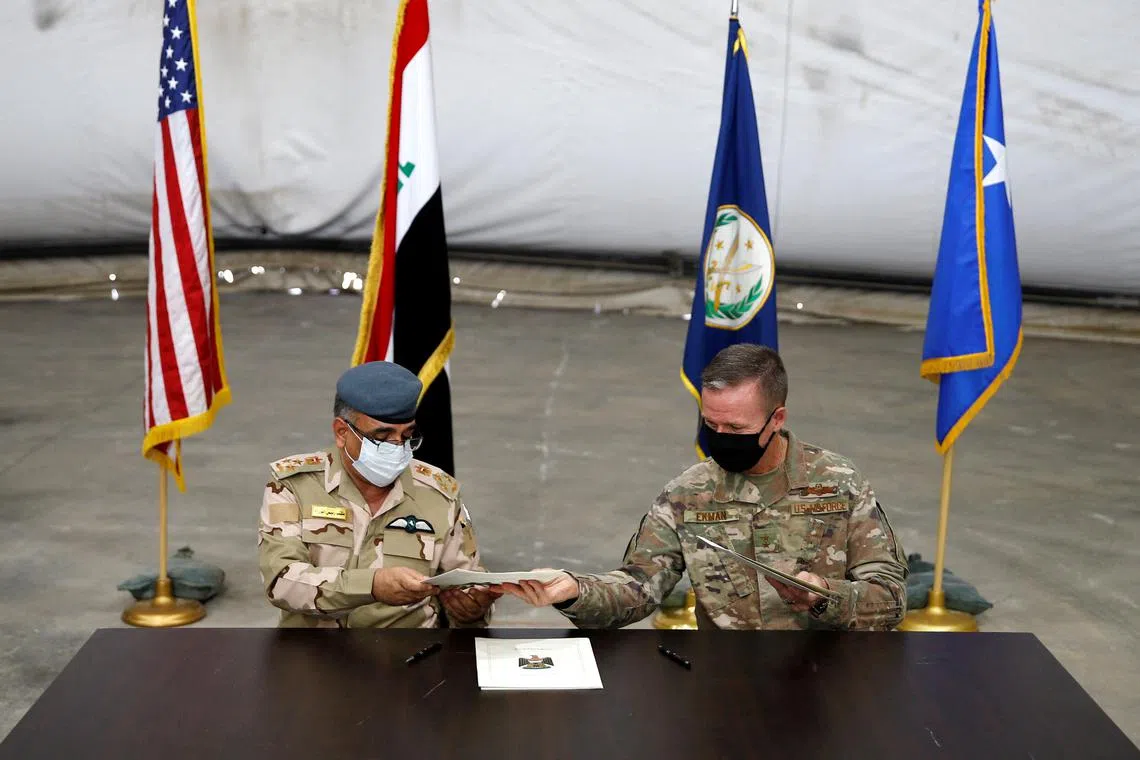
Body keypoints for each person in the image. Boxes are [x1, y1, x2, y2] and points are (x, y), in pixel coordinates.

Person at [497, 344, 908, 630]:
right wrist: (574, 591)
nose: (721, 435)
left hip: (830, 675)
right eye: (711, 424)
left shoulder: (839, 483)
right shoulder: (686, 494)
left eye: (736, 427)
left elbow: (891, 600)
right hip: (727, 678)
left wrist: (825, 597)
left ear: (777, 418)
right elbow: (639, 588)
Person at [258, 361, 499, 628]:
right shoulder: (295, 486)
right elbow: (281, 582)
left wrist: (471, 610)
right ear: (341, 432)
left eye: (407, 435)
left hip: (404, 655)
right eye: (382, 437)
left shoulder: (438, 495)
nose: (397, 447)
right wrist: (372, 586)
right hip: (313, 653)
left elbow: (468, 587)